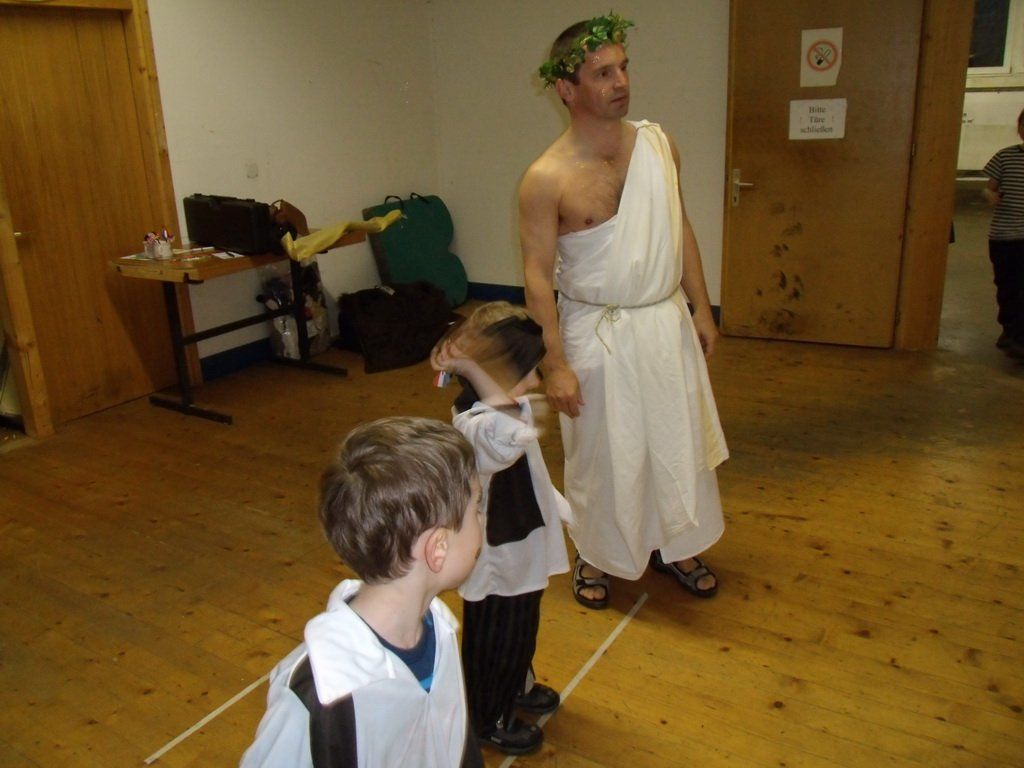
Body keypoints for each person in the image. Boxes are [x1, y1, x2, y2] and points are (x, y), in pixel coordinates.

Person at [519, 13, 729, 610]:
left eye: (623, 68)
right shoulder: (545, 178)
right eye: (602, 73)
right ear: (567, 88)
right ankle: (597, 551)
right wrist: (554, 364)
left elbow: (678, 226)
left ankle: (677, 544)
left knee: (676, 439)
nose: (621, 82)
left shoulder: (659, 147)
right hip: (595, 329)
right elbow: (537, 278)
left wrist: (701, 308)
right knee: (602, 453)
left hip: (663, 321)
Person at [240, 417, 484, 768]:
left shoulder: (439, 630)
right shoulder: (319, 692)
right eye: (477, 508)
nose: (483, 521)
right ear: (439, 548)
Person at [430, 302, 570, 755]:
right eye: (524, 371)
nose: (535, 381)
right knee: (497, 637)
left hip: (522, 546)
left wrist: (560, 507)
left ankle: (516, 685)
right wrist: (473, 364)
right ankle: (487, 716)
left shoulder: (506, 409)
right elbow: (510, 433)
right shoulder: (476, 426)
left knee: (522, 628)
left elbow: (529, 462)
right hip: (497, 559)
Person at [983, 107, 1024, 359]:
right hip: (1004, 235)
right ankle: (1008, 329)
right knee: (1006, 285)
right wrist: (991, 195)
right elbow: (989, 187)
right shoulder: (1005, 156)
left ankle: (1020, 337)